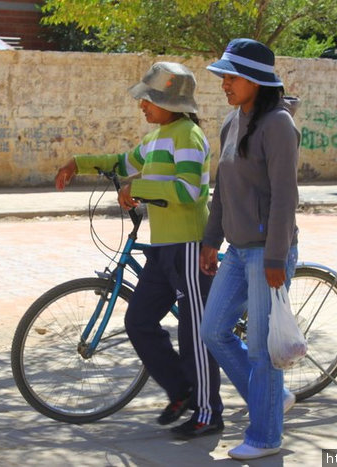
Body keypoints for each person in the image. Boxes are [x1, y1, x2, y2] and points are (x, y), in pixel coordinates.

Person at [55, 62, 224, 437]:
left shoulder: (189, 138)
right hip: (162, 248)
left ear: (171, 104)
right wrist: (79, 163)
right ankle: (182, 390)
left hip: (189, 246)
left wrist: (140, 188)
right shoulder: (156, 138)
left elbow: (189, 191)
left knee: (193, 331)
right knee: (139, 321)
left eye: (149, 99)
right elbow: (123, 163)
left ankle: (209, 413)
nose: (142, 105)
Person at [199, 38, 301, 460]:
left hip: (267, 252)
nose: (224, 82)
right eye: (223, 74)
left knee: (261, 349)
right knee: (214, 332)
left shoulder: (278, 124)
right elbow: (221, 189)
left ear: (256, 80)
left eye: (232, 75)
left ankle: (265, 436)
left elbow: (284, 197)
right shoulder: (231, 122)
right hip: (239, 251)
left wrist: (276, 257)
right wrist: (210, 239)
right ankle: (271, 399)